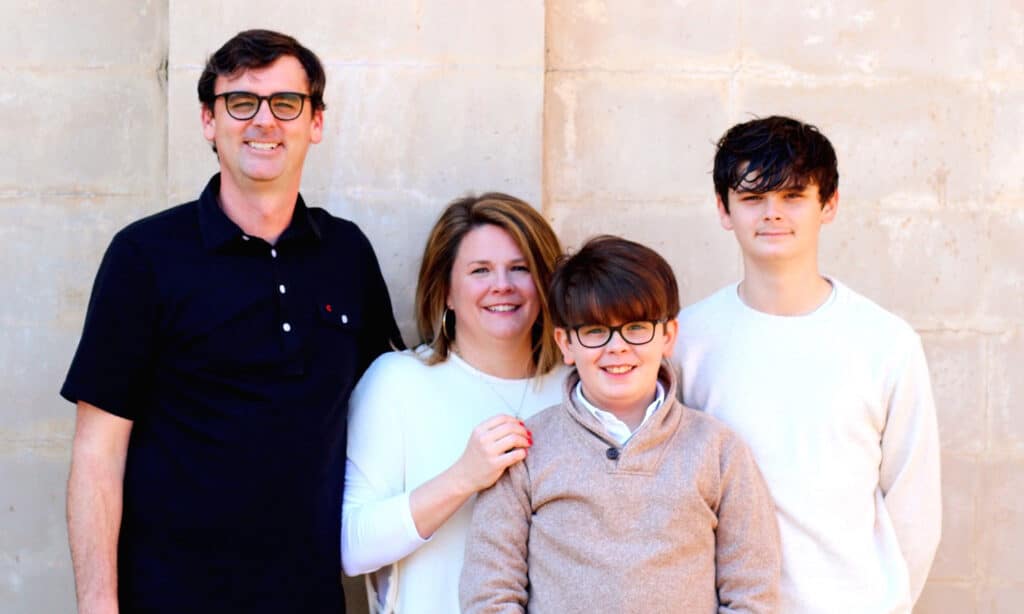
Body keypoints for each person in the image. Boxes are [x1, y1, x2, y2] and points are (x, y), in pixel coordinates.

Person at [61, 29, 402, 614]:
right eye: (241, 102)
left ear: (314, 122)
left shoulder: (346, 254)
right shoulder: (145, 256)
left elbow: (393, 405)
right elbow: (97, 454)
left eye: (285, 104)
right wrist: (98, 606)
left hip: (311, 599)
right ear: (207, 121)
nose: (263, 121)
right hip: (169, 597)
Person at [674, 115, 942, 613]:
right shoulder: (687, 341)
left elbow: (915, 505)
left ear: (829, 204)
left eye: (793, 195)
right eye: (753, 198)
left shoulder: (885, 342)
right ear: (723, 210)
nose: (772, 213)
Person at [460, 235, 781, 613]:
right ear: (565, 343)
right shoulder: (526, 450)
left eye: (636, 327)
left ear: (668, 336)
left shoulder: (718, 450)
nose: (617, 348)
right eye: (595, 331)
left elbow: (753, 594)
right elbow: (489, 594)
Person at [342, 193, 567, 613]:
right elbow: (353, 546)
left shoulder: (577, 387)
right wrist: (463, 477)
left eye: (520, 269)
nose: (502, 285)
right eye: (480, 270)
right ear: (445, 291)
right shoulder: (399, 383)